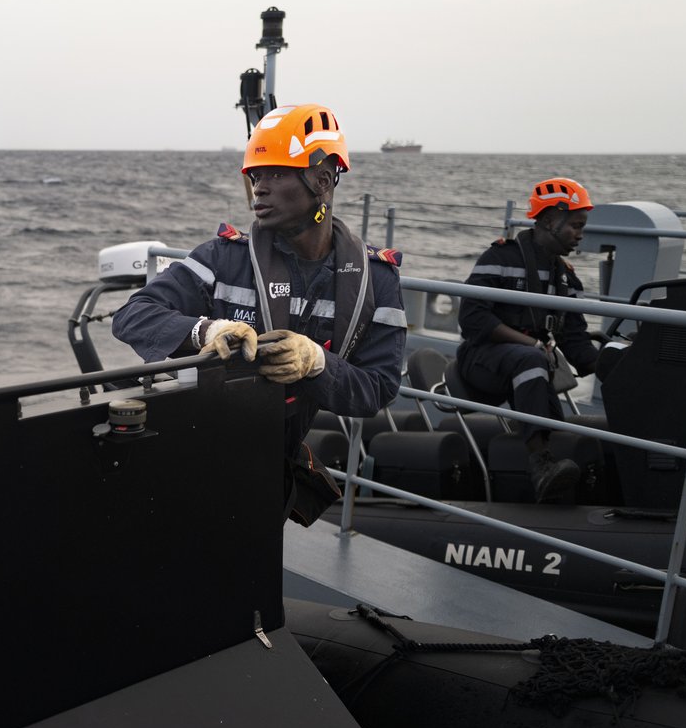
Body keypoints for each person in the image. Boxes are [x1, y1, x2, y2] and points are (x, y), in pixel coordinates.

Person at [111, 103, 407, 516]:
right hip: (192, 453)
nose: (259, 188)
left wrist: (318, 363)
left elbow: (377, 389)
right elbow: (132, 315)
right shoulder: (222, 259)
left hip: (270, 470)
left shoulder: (375, 280)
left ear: (322, 179)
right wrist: (205, 332)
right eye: (255, 175)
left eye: (276, 173)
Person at [459, 177, 601, 502]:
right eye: (575, 226)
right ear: (550, 220)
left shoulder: (565, 277)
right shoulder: (500, 259)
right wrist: (531, 345)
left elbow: (576, 340)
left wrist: (616, 365)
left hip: (527, 365)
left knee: (554, 421)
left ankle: (549, 484)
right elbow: (472, 318)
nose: (580, 234)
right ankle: (540, 465)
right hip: (481, 359)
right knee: (533, 361)